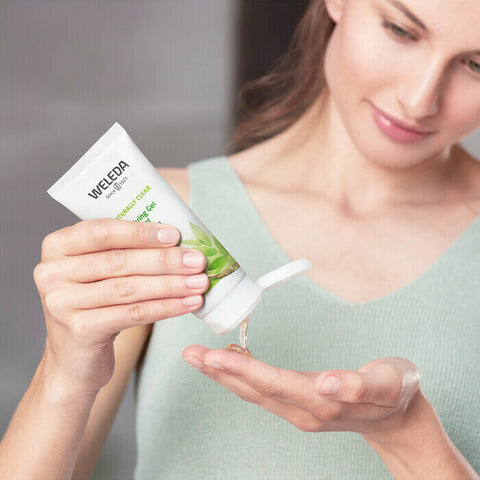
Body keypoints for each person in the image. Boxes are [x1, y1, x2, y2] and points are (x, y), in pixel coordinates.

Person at [1, 0, 480, 478]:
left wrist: (410, 438)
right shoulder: (161, 226)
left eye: (476, 65)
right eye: (400, 30)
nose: (419, 100)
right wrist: (63, 377)